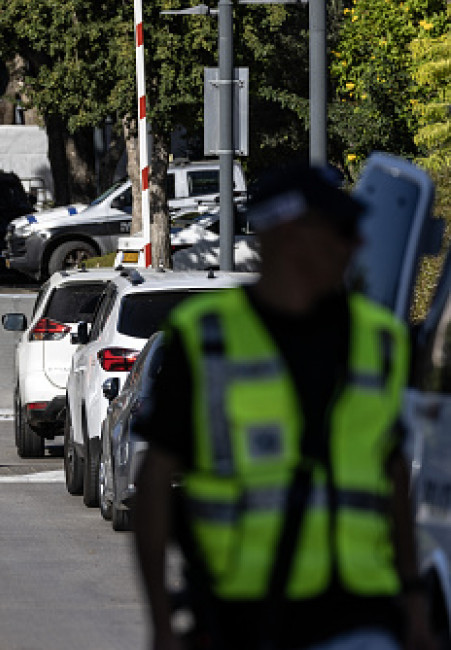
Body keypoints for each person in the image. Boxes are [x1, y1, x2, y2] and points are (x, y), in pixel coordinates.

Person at [132, 166, 434, 650]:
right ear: (292, 233)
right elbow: (155, 481)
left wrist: (414, 599)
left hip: (362, 609)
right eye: (341, 232)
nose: (355, 246)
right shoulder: (207, 338)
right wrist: (161, 622)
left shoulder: (381, 338)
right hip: (243, 613)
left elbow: (392, 468)